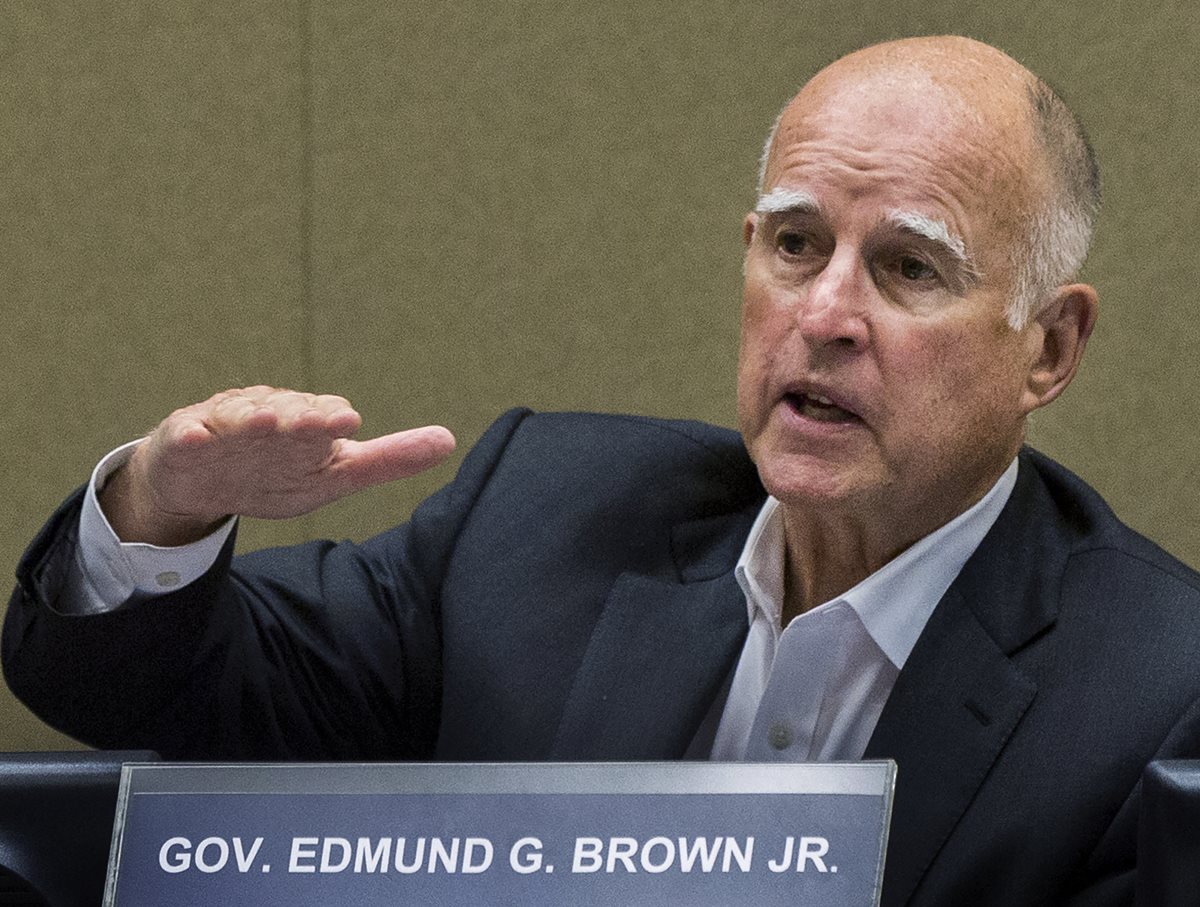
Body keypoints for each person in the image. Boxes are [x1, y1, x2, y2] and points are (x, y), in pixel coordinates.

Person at [5, 35, 1199, 906]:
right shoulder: (546, 517)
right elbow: (158, 694)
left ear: (1048, 348)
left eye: (908, 269)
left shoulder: (1154, 696)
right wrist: (161, 508)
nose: (825, 313)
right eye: (796, 245)